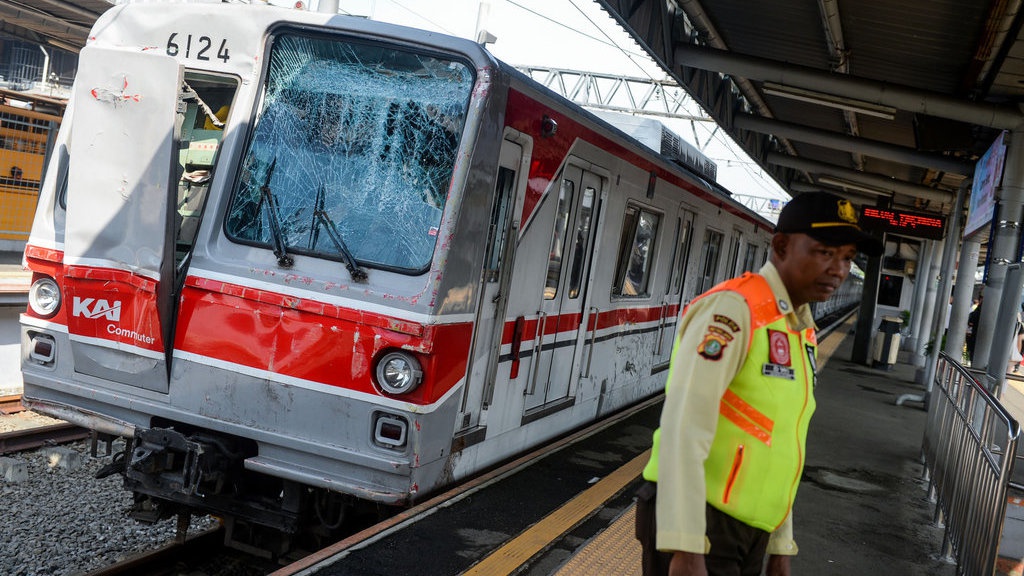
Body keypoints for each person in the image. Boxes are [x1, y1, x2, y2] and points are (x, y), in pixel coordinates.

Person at [635, 191, 883, 576]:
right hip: (703, 522)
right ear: (781, 246)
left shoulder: (799, 328)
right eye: (824, 252)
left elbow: (783, 440)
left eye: (847, 257)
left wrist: (780, 544)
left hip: (750, 531)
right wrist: (684, 546)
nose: (838, 268)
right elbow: (684, 427)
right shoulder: (734, 310)